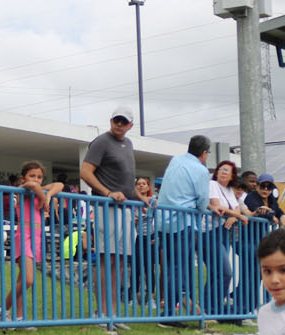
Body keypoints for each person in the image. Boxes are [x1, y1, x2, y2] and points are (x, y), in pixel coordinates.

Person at [79, 106, 141, 316]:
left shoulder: (128, 143)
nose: (119, 124)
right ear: (111, 121)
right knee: (108, 260)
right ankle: (102, 312)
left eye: (123, 121)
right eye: (116, 120)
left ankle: (112, 313)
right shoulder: (101, 142)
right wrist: (107, 193)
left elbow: (127, 180)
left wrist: (141, 197)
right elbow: (85, 172)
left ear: (130, 125)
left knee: (120, 262)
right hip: (107, 208)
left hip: (125, 209)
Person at [155, 134, 212, 316]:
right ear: (204, 153)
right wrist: (201, 208)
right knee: (178, 269)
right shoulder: (201, 170)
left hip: (164, 220)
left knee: (172, 267)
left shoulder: (176, 160)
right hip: (183, 221)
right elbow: (203, 200)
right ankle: (169, 313)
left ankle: (181, 307)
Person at [0, 160, 62, 320]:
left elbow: (59, 185)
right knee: (28, 280)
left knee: (22, 279)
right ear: (23, 178)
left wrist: (47, 196)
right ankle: (1, 308)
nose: (36, 179)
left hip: (37, 237)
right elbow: (32, 186)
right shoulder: (23, 190)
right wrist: (45, 197)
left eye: (39, 177)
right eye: (32, 175)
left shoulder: (40, 191)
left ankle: (19, 317)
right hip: (24, 236)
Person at [206, 158, 252, 314]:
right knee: (225, 272)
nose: (223, 172)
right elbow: (217, 206)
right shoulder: (213, 185)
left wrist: (234, 217)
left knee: (217, 273)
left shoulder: (229, 190)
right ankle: (213, 307)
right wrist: (237, 216)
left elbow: (237, 207)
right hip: (211, 231)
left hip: (225, 231)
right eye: (221, 169)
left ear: (232, 175)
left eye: (227, 170)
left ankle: (211, 308)